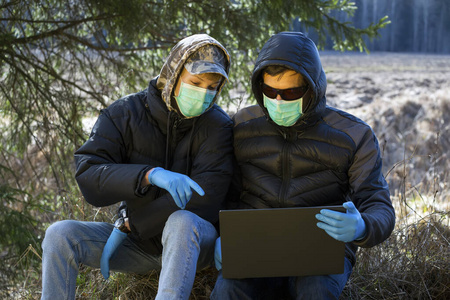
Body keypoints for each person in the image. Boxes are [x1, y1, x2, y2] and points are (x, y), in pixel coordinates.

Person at [41, 34, 234, 300]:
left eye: (212, 87)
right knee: (59, 235)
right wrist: (147, 175)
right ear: (173, 75)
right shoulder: (124, 113)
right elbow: (88, 173)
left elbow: (207, 198)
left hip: (193, 247)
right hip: (136, 245)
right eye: (196, 82)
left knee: (182, 221)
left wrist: (132, 224)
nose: (204, 93)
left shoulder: (218, 126)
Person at [211, 32, 396, 299]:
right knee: (228, 291)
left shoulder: (354, 135)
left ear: (312, 88)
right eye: (269, 91)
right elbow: (221, 189)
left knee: (316, 291)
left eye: (291, 92)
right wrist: (220, 235)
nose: (277, 101)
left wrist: (362, 227)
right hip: (254, 246)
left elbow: (379, 205)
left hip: (319, 253)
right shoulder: (242, 126)